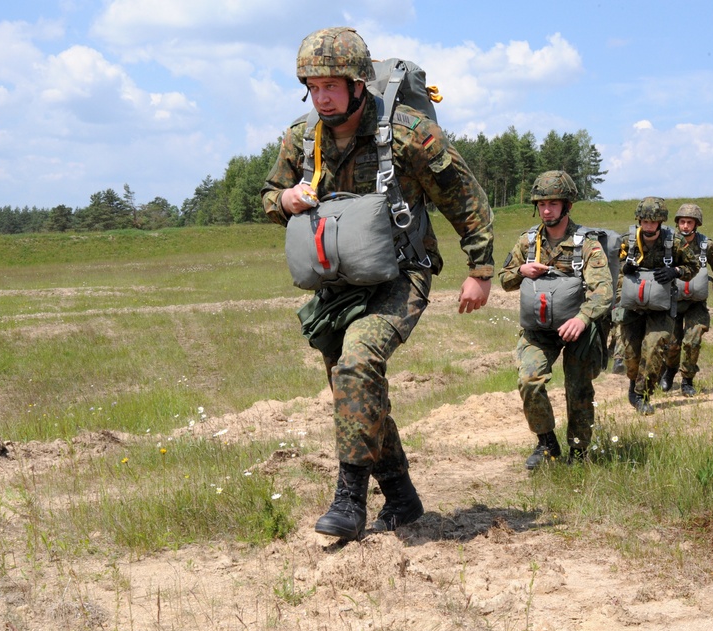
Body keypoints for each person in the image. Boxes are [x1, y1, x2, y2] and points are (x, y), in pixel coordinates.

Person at [262, 27, 494, 540]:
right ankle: (402, 497)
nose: (322, 97)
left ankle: (349, 499)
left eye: (332, 86)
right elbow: (268, 195)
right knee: (354, 389)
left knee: (357, 364)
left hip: (399, 273)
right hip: (337, 282)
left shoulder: (409, 132)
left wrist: (479, 271)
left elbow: (465, 197)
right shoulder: (302, 137)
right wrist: (286, 202)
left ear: (358, 84)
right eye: (313, 86)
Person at [499, 170, 612, 468]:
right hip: (538, 330)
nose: (546, 209)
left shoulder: (586, 244)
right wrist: (520, 271)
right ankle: (547, 443)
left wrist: (583, 319)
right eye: (542, 204)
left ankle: (578, 452)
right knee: (529, 380)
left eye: (553, 203)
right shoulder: (527, 241)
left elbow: (604, 291)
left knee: (578, 391)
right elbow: (505, 280)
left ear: (567, 205)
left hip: (578, 329)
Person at [616, 197, 699, 415]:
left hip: (661, 308)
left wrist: (676, 271)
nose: (648, 226)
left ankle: (643, 395)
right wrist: (624, 268)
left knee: (653, 349)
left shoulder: (675, 242)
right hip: (632, 307)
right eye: (644, 221)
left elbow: (694, 265)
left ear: (660, 222)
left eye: (653, 222)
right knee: (632, 357)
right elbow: (611, 264)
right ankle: (633, 387)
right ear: (639, 220)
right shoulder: (628, 241)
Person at [659, 203, 713, 397]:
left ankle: (687, 380)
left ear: (696, 224)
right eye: (682, 222)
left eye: (689, 222)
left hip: (696, 304)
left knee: (692, 342)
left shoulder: (706, 245)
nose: (685, 226)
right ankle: (669, 372)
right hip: (672, 302)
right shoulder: (669, 243)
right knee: (672, 344)